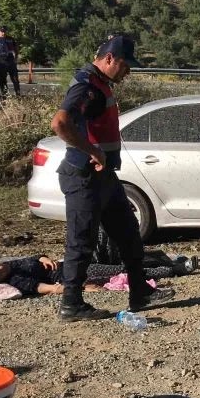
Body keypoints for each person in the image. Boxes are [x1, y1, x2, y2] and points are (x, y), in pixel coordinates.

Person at [51, 34, 173, 322]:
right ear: (109, 58)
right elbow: (60, 123)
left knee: (129, 234)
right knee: (81, 242)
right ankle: (71, 304)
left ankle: (140, 291)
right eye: (125, 65)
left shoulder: (100, 83)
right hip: (83, 177)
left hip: (104, 177)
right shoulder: (85, 85)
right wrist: (91, 150)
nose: (128, 71)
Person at [0, 255, 178, 297]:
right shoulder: (17, 281)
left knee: (118, 262)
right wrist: (80, 288)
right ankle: (173, 269)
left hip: (70, 263)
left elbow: (33, 257)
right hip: (73, 275)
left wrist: (43, 257)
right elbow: (46, 288)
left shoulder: (10, 265)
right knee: (120, 270)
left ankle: (169, 261)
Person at [0, 26, 20, 96]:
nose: (3, 33)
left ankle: (18, 94)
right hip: (1, 59)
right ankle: (5, 95)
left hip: (10, 59)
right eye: (1, 31)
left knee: (15, 78)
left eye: (4, 31)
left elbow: (16, 49)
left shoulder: (10, 39)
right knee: (3, 79)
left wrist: (15, 59)